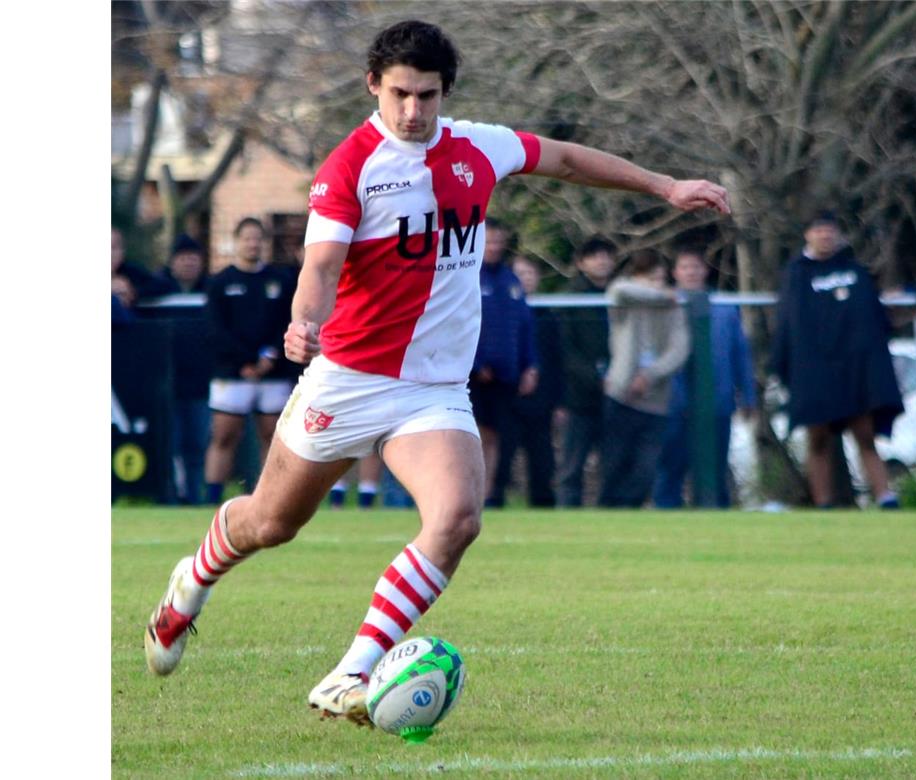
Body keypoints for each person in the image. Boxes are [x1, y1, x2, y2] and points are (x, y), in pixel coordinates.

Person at [142, 19, 729, 726]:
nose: (413, 110)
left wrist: (666, 186)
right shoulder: (349, 167)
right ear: (373, 86)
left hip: (435, 390)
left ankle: (351, 673)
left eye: (427, 95)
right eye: (400, 94)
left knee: (456, 519)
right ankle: (190, 583)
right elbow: (320, 268)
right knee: (270, 523)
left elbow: (567, 159)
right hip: (349, 380)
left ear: (445, 91)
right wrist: (304, 321)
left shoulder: (478, 146)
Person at [769, 213, 904, 509]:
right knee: (818, 437)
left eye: (830, 230)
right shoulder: (797, 274)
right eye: (819, 230)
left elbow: (873, 320)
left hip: (854, 369)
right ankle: (824, 503)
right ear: (808, 235)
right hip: (815, 370)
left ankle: (885, 496)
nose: (825, 236)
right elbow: (788, 325)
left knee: (865, 434)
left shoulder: (854, 271)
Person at [200, 217, 299, 505]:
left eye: (257, 238)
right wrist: (244, 361)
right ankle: (212, 498)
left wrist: (269, 357)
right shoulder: (220, 282)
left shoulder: (281, 281)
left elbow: (287, 321)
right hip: (232, 373)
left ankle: (270, 499)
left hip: (273, 373)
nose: (252, 244)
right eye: (247, 238)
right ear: (236, 241)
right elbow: (215, 329)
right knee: (224, 436)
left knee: (273, 436)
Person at [652, 248, 757, 508]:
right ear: (675, 273)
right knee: (671, 465)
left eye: (696, 267)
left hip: (716, 402)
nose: (691, 272)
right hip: (673, 404)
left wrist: (748, 395)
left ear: (705, 271)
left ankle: (715, 513)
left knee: (714, 466)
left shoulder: (725, 309)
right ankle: (666, 513)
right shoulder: (661, 308)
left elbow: (740, 355)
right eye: (685, 267)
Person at [598, 250, 690, 507]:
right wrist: (661, 295)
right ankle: (607, 512)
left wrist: (649, 375)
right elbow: (618, 289)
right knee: (614, 463)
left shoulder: (674, 308)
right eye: (650, 278)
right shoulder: (625, 297)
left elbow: (679, 350)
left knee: (646, 468)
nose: (656, 283)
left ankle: (631, 511)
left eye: (660, 278)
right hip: (620, 393)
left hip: (656, 399)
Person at [472, 219, 539, 508]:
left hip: (507, 375)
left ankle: (489, 494)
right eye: (489, 241)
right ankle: (469, 493)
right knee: (476, 434)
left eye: (499, 241)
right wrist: (477, 363)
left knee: (498, 436)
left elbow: (525, 326)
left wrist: (530, 365)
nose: (494, 246)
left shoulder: (511, 281)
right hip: (474, 376)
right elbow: (460, 324)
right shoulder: (468, 276)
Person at [491, 255, 564, 507]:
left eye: (531, 273)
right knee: (501, 456)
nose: (526, 279)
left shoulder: (548, 316)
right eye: (521, 273)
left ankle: (544, 507)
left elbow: (557, 361)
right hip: (506, 398)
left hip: (541, 402)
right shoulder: (498, 312)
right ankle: (493, 503)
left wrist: (559, 401)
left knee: (543, 460)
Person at [556, 237, 618, 507]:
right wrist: (595, 379)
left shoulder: (620, 295)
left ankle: (610, 511)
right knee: (573, 462)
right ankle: (567, 509)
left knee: (613, 461)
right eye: (594, 256)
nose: (602, 261)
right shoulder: (571, 298)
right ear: (581, 263)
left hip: (616, 393)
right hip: (578, 396)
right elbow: (566, 350)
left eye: (606, 255)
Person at [162, 235, 216, 504]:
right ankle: (170, 497)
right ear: (172, 261)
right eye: (182, 257)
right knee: (169, 446)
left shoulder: (212, 291)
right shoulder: (156, 289)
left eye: (193, 258)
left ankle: (195, 498)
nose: (188, 263)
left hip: (200, 385)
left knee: (197, 446)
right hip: (166, 386)